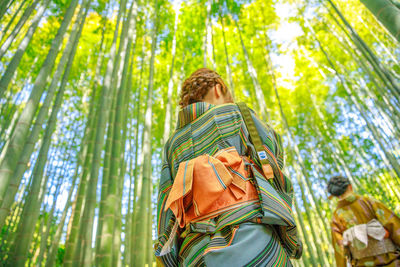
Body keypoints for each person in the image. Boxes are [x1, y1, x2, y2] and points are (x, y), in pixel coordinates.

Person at [155, 68, 302, 266]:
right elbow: (270, 156)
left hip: (194, 251)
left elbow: (167, 206)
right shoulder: (236, 112)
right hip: (250, 234)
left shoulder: (173, 143)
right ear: (219, 89)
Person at [328, 175, 400, 267]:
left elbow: (339, 248)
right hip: (390, 262)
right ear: (350, 187)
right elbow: (393, 224)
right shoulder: (368, 201)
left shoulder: (336, 216)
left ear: (334, 195)